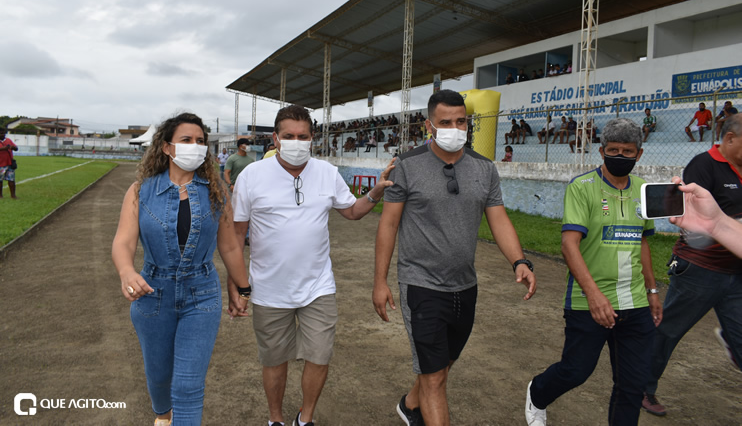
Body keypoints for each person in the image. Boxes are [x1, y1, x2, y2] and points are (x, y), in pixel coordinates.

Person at [374, 90, 536, 426]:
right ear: (429, 124)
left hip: (465, 285)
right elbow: (388, 225)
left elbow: (499, 218)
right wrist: (380, 282)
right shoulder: (406, 166)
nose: (454, 128)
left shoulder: (484, 169)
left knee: (443, 365)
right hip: (420, 283)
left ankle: (409, 404)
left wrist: (520, 260)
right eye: (445, 122)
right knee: (434, 378)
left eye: (461, 121)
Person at [229, 104, 396, 426]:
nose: (296, 142)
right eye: (288, 136)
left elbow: (351, 211)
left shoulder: (327, 172)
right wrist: (235, 285)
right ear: (275, 139)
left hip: (318, 287)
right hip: (268, 288)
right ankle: (275, 419)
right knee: (274, 360)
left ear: (312, 139)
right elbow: (236, 236)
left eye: (302, 136)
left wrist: (375, 192)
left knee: (319, 356)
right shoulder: (252, 175)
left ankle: (305, 419)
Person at [111, 113, 251, 426]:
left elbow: (229, 246)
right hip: (152, 295)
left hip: (201, 296)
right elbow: (123, 241)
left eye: (201, 141)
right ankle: (162, 417)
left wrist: (243, 288)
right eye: (186, 140)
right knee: (159, 377)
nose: (195, 146)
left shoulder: (217, 192)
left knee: (188, 385)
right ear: (166, 147)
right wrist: (126, 272)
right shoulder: (139, 191)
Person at [526, 118, 662, 426]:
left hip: (636, 302)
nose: (620, 156)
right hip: (589, 300)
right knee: (577, 371)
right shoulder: (582, 187)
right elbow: (569, 245)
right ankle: (538, 392)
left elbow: (642, 243)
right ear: (601, 151)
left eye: (628, 151)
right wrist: (595, 295)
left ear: (639, 155)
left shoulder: (644, 190)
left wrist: (653, 291)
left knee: (631, 385)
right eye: (613, 149)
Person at [642, 113, 742, 417]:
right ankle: (642, 387)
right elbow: (692, 221)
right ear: (730, 139)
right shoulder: (704, 164)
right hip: (699, 269)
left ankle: (731, 338)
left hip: (736, 272)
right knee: (669, 330)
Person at [0, 128, 18, 199]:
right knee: (0, 180)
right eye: (1, 133)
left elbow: (16, 148)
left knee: (11, 180)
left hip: (9, 163)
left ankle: (13, 195)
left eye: (3, 133)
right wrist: (4, 148)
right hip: (0, 164)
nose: (2, 134)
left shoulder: (8, 140)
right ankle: (0, 195)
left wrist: (14, 147)